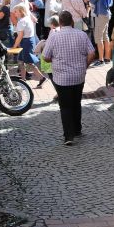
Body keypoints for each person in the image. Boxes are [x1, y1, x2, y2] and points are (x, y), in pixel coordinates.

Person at [40, 11, 96, 145]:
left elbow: (45, 57)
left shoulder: (54, 37)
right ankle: (77, 129)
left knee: (65, 106)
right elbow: (92, 53)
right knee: (76, 102)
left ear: (60, 23)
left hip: (61, 78)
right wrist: (85, 65)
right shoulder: (82, 34)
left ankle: (68, 136)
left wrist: (54, 59)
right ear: (72, 21)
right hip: (78, 76)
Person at [10, 1, 43, 83]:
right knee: (21, 61)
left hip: (26, 42)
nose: (14, 13)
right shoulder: (27, 18)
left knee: (29, 62)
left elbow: (20, 36)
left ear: (21, 12)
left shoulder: (21, 21)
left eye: (16, 11)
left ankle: (41, 78)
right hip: (29, 41)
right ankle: (23, 79)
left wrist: (14, 46)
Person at [89, 0, 113, 65]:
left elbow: (92, 0)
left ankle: (101, 59)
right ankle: (107, 58)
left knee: (98, 37)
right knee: (105, 36)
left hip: (101, 14)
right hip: (107, 13)